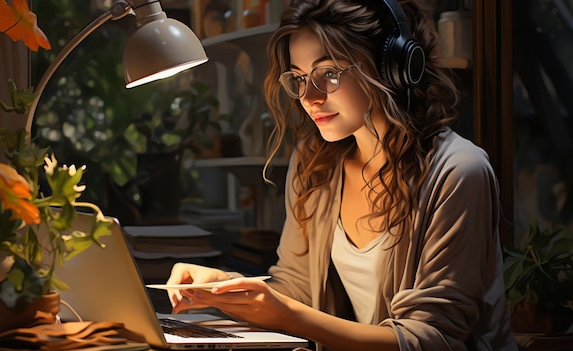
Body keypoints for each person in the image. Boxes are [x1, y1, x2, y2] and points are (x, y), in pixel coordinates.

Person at [166, 0, 517, 350]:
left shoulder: (458, 171)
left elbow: (433, 338)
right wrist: (225, 287)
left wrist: (285, 313)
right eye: (299, 78)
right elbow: (297, 291)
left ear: (392, 67)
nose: (309, 97)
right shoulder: (314, 164)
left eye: (329, 73)